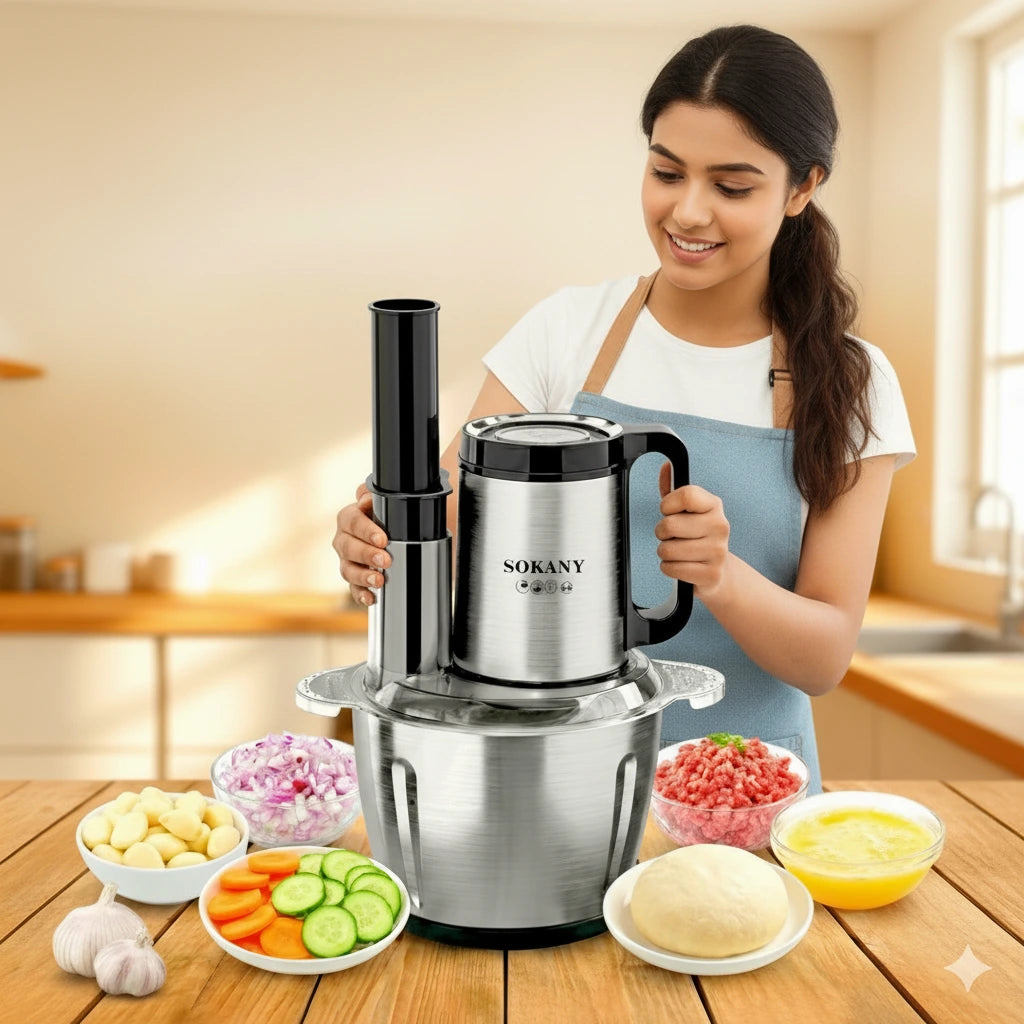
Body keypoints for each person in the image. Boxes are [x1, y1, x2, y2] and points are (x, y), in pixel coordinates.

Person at [333, 24, 915, 794]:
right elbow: (440, 535)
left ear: (803, 186)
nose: (689, 213)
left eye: (732, 186)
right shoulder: (564, 332)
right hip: (548, 781)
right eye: (667, 172)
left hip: (743, 802)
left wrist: (721, 576)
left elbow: (824, 658)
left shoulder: (854, 381)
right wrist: (375, 543)